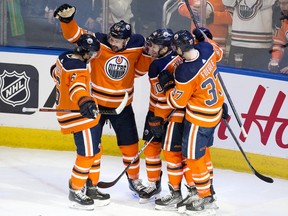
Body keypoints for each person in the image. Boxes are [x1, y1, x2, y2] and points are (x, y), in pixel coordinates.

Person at [53, 3, 152, 198]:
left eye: (118, 40)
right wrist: (67, 21)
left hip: (122, 106)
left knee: (130, 145)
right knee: (93, 148)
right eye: (112, 38)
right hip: (95, 106)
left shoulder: (137, 44)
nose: (113, 42)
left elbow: (139, 71)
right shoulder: (99, 43)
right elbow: (76, 36)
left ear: (127, 40)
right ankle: (89, 183)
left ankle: (134, 180)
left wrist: (147, 55)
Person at [157, 29, 225, 215]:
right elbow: (219, 52)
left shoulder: (185, 71)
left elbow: (177, 102)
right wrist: (207, 38)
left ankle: (205, 198)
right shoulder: (206, 49)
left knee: (194, 158)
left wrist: (168, 87)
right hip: (215, 112)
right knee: (204, 154)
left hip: (199, 118)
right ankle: (209, 191)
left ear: (179, 49)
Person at [50, 34, 110, 210]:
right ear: (85, 52)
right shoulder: (79, 67)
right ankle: (75, 190)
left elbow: (54, 72)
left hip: (77, 113)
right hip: (78, 116)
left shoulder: (64, 57)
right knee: (87, 154)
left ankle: (91, 186)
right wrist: (85, 101)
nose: (92, 56)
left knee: (96, 150)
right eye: (91, 53)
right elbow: (77, 88)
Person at [138, 28, 195, 206]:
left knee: (172, 154)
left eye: (154, 46)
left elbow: (162, 97)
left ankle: (182, 190)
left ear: (165, 48)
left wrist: (158, 118)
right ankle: (156, 184)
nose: (150, 49)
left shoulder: (156, 66)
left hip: (165, 113)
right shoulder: (182, 58)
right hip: (168, 110)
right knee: (154, 149)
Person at [222, 0, 277, 70]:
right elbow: (227, 2)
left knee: (258, 79)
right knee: (235, 77)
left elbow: (252, 3)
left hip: (259, 46)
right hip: (237, 42)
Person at [268, 0, 288, 74]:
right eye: (280, 3)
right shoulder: (283, 19)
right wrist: (275, 59)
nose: (282, 6)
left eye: (286, 3)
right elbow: (279, 44)